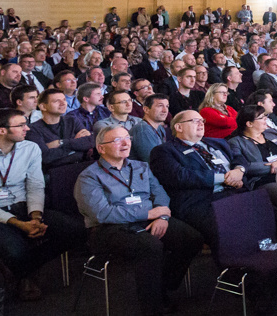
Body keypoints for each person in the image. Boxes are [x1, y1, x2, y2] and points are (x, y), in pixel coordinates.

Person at [76, 123, 203, 316]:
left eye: (128, 138)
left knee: (191, 238)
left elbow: (160, 194)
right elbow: (103, 213)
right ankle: (153, 309)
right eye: (117, 140)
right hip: (108, 229)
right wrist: (148, 214)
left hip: (149, 219)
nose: (125, 143)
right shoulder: (89, 176)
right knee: (150, 246)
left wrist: (161, 216)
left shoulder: (141, 166)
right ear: (101, 148)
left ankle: (161, 285)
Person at [0, 107, 88, 301]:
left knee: (77, 230)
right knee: (18, 251)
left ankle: (12, 269)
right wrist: (20, 224)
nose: (27, 129)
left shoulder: (30, 149)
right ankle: (24, 272)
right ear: (2, 130)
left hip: (24, 207)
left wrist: (35, 217)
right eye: (21, 125)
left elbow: (35, 185)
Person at [150, 109, 258, 249]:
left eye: (202, 121)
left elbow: (239, 158)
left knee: (274, 216)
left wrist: (239, 170)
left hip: (236, 192)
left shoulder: (218, 142)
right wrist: (225, 178)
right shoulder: (164, 151)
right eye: (195, 121)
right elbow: (180, 176)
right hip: (202, 201)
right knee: (233, 228)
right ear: (179, 127)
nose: (201, 123)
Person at [28, 88, 95, 167]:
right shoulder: (32, 129)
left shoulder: (71, 120)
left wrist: (60, 143)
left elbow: (90, 142)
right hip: (55, 170)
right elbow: (45, 157)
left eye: (64, 100)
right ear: (43, 107)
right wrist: (75, 143)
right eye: (57, 101)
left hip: (82, 165)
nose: (63, 103)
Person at [228, 105, 277, 178]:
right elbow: (243, 165)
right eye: (261, 117)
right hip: (263, 179)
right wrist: (275, 166)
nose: (266, 118)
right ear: (249, 124)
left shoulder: (273, 132)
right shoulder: (236, 142)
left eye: (265, 116)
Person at [131, 94, 170, 162]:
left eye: (167, 106)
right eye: (160, 106)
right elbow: (154, 161)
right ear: (146, 109)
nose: (165, 110)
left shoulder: (160, 128)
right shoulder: (143, 130)